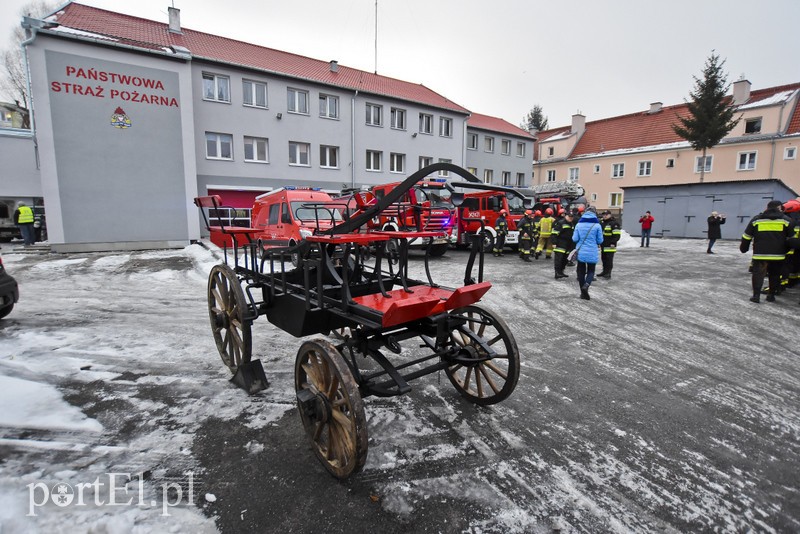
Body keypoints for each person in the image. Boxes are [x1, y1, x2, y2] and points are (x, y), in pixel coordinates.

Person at [740, 200, 794, 303]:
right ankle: (771, 295)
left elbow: (746, 236)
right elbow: (792, 239)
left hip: (760, 254)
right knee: (775, 275)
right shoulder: (786, 220)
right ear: (780, 208)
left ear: (767, 207)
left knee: (758, 274)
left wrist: (744, 248)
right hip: (778, 256)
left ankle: (756, 296)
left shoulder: (756, 220)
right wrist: (787, 250)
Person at [572, 207, 604, 300]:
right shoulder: (597, 225)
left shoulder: (579, 224)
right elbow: (600, 240)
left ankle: (582, 293)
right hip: (592, 251)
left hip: (581, 251)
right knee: (591, 271)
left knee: (581, 271)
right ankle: (586, 285)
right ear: (594, 214)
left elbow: (574, 239)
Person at [597, 211, 621, 279]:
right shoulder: (602, 223)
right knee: (604, 259)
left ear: (610, 215)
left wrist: (613, 243)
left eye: (606, 215)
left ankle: (608, 273)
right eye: (604, 215)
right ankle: (604, 271)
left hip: (610, 245)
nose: (605, 216)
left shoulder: (614, 223)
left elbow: (617, 235)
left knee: (609, 260)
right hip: (603, 244)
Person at [551, 211, 575, 278]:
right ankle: (557, 273)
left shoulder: (571, 224)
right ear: (566, 216)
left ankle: (561, 272)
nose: (570, 218)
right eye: (569, 216)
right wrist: (554, 242)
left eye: (572, 217)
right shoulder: (561, 223)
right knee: (559, 259)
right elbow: (554, 233)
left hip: (568, 244)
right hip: (560, 243)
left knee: (565, 259)